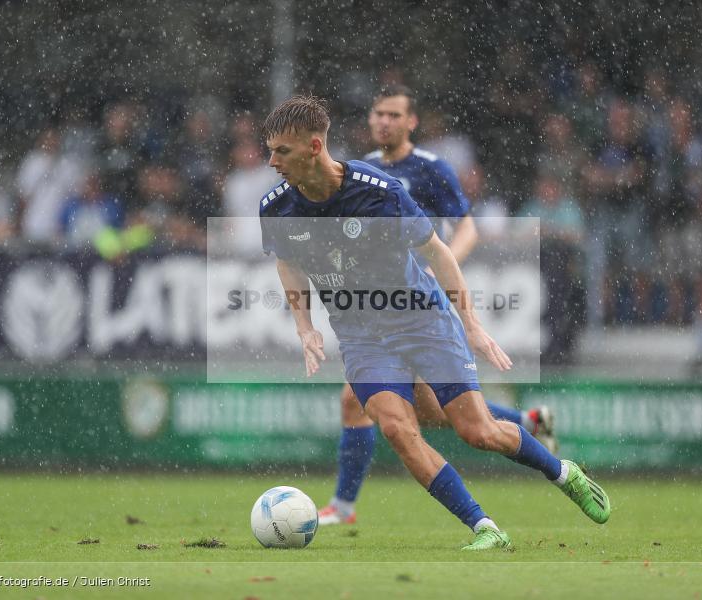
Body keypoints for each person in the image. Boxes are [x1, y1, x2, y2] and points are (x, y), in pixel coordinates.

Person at [259, 95, 610, 550]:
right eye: (269, 151)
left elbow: (438, 253)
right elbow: (287, 262)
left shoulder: (378, 191)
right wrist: (304, 325)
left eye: (281, 152)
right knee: (397, 429)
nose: (271, 162)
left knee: (477, 431)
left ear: (313, 146)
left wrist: (471, 323)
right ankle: (484, 528)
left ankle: (564, 473)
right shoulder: (276, 207)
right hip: (363, 337)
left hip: (423, 321)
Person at [318, 85, 558, 527]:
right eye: (378, 113)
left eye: (394, 115)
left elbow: (466, 231)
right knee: (418, 408)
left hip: (424, 301)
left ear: (411, 122)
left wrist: (437, 268)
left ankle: (344, 506)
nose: (384, 122)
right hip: (380, 305)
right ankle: (526, 421)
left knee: (367, 400)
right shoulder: (358, 171)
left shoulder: (432, 169)